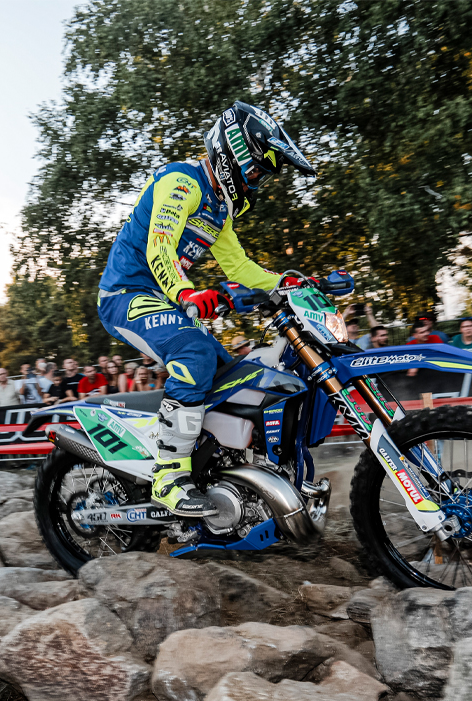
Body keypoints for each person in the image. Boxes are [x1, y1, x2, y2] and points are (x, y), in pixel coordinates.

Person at [93, 101, 316, 515]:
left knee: (229, 374)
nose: (255, 184)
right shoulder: (182, 182)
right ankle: (167, 476)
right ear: (233, 155)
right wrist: (186, 294)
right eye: (255, 172)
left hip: (165, 299)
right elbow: (159, 248)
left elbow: (239, 267)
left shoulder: (220, 209)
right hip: (126, 294)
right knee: (195, 353)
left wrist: (289, 283)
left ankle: (213, 472)